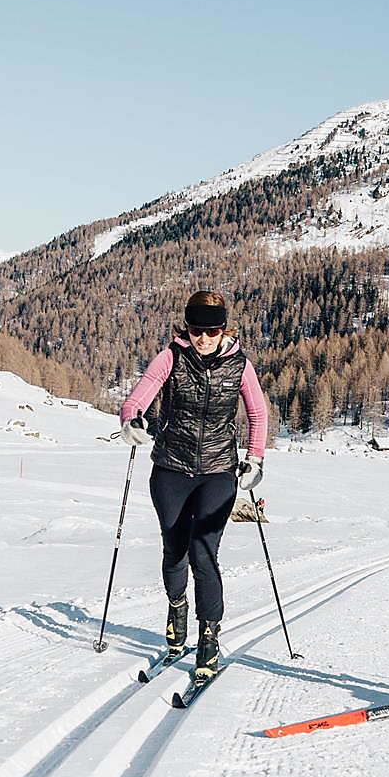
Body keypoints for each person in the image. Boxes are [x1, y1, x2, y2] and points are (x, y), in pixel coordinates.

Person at [117, 290, 268, 680]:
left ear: (224, 329)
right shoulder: (171, 357)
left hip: (218, 472)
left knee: (204, 554)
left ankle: (209, 635)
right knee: (174, 552)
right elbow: (138, 398)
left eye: (212, 331)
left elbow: (257, 413)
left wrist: (255, 458)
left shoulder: (240, 365)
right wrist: (131, 421)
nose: (203, 338)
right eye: (196, 330)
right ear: (187, 328)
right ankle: (176, 606)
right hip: (170, 469)